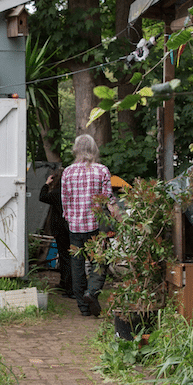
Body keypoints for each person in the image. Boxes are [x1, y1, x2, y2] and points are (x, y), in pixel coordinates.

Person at [61, 134, 117, 317]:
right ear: (94, 150)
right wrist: (121, 220)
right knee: (98, 262)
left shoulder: (67, 172)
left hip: (75, 227)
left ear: (75, 150)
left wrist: (70, 219)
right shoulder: (102, 171)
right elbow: (109, 200)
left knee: (76, 266)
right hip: (96, 226)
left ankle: (83, 307)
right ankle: (91, 292)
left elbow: (65, 201)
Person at [39, 168, 72, 297]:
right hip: (71, 227)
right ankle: (66, 284)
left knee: (65, 258)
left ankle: (69, 288)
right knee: (70, 257)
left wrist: (47, 184)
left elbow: (42, 197)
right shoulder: (71, 193)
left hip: (60, 229)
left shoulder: (57, 193)